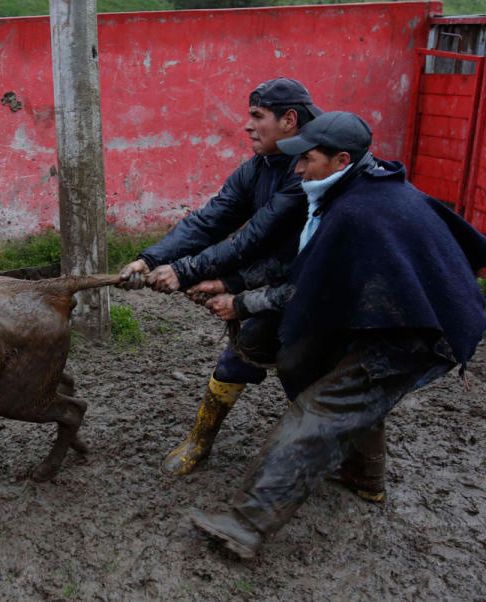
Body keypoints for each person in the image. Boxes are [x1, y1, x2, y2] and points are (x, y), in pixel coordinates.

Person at [188, 111, 486, 559]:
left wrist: (240, 302)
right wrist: (234, 285)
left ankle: (245, 524)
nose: (298, 170)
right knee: (349, 393)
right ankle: (366, 479)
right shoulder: (373, 184)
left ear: (340, 158)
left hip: (416, 331)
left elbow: (305, 288)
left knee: (319, 411)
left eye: (306, 159)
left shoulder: (355, 211)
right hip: (411, 310)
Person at [119, 77, 321, 476]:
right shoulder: (261, 166)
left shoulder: (310, 171)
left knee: (317, 382)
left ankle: (356, 467)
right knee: (239, 359)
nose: (246, 125)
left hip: (322, 293)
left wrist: (186, 272)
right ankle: (200, 441)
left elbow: (255, 237)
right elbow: (214, 218)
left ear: (289, 120)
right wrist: (152, 258)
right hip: (282, 285)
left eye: (257, 116)